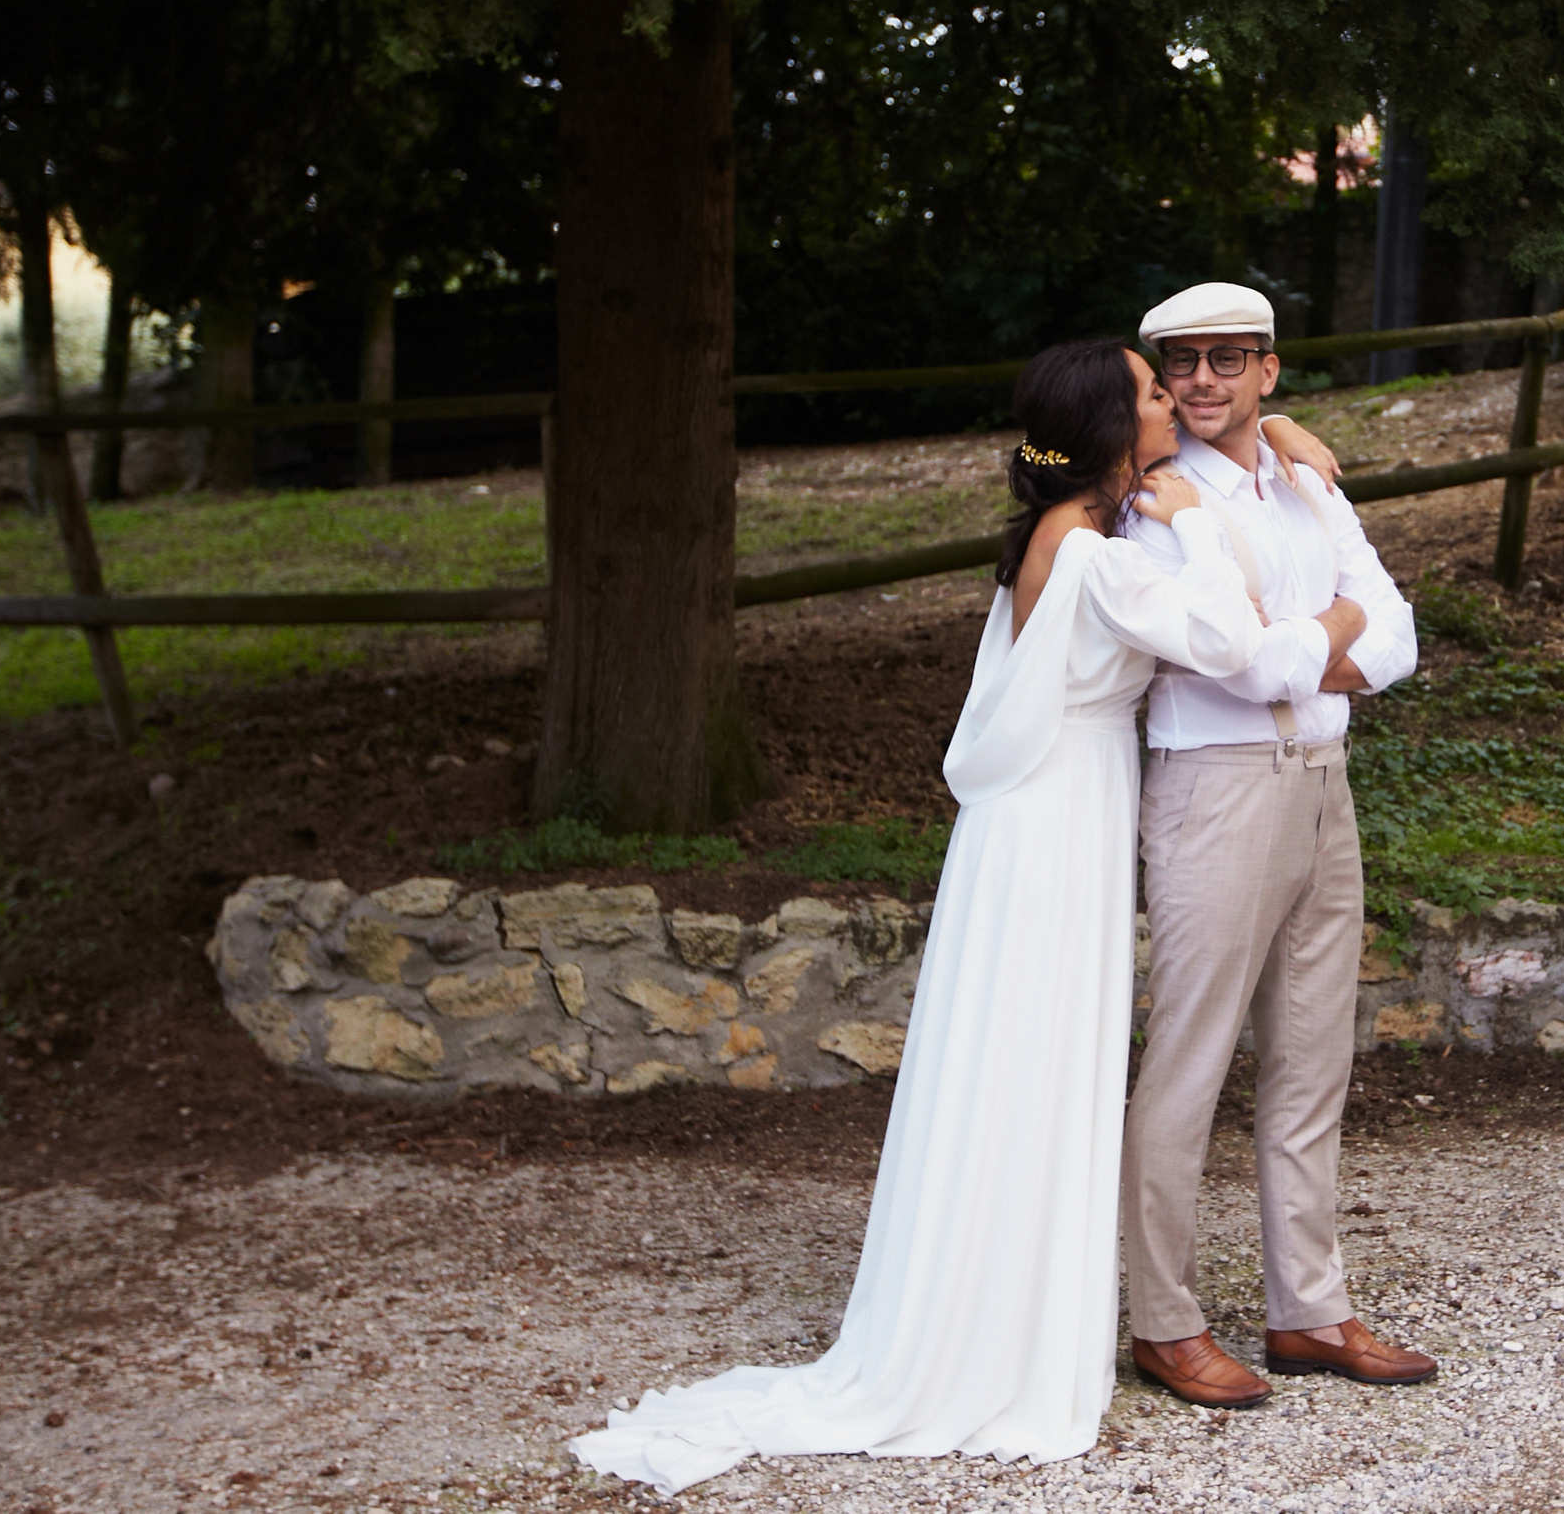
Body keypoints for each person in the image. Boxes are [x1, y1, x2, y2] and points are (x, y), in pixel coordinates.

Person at [568, 339, 1338, 1492]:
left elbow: (1216, 468)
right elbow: (1229, 640)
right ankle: (996, 1338)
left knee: (1020, 1060)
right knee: (1034, 1062)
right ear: (1108, 430)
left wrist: (1271, 430)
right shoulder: (1100, 552)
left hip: (1039, 814)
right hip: (1060, 823)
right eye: (1150, 390)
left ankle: (1005, 1303)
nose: (1173, 399)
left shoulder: (1061, 531)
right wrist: (1195, 527)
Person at [1120, 282, 1434, 1409]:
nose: (1203, 378)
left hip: (1321, 783)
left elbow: (1398, 632)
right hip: (1215, 790)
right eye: (1182, 360)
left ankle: (1309, 1307)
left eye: (1227, 357)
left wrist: (1316, 647)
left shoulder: (1307, 481)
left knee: (1312, 1059)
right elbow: (1242, 667)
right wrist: (1334, 633)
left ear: (1269, 370)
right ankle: (1164, 1322)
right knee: (1189, 1060)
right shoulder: (1153, 497)